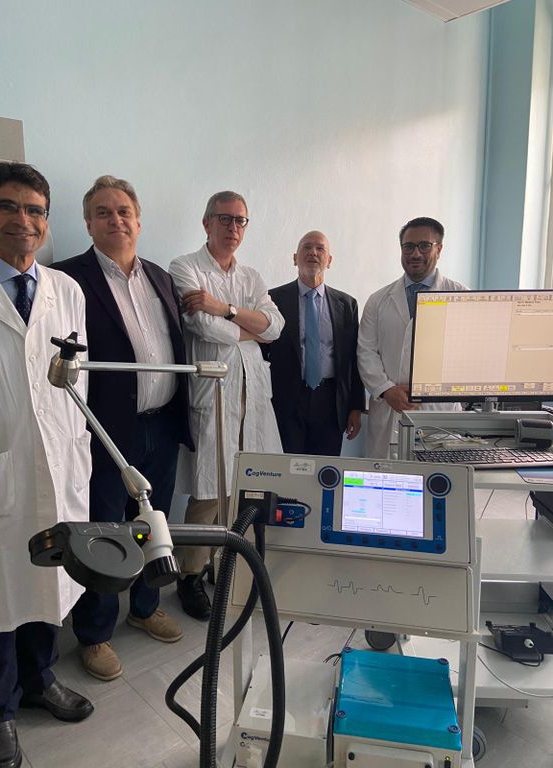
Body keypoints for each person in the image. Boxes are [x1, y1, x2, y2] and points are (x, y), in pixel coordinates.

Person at [53, 176, 193, 682]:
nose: (116, 220)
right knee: (106, 531)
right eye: (103, 212)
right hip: (106, 431)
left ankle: (146, 607)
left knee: (154, 523)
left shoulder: (160, 277)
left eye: (124, 211)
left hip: (163, 424)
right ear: (88, 223)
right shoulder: (66, 279)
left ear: (139, 219)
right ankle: (95, 633)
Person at [0, 162, 94, 768]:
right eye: (6, 206)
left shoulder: (66, 290)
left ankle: (40, 680)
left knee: (49, 578)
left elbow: (79, 381)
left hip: (60, 461)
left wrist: (78, 447)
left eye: (34, 210)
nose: (22, 220)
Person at [169, 191, 284, 620]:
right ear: (207, 223)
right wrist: (250, 325)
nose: (233, 228)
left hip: (251, 392)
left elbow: (276, 327)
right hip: (213, 391)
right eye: (225, 219)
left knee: (243, 484)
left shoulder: (251, 276)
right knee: (208, 489)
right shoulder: (185, 267)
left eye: (240, 221)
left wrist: (224, 308)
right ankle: (190, 574)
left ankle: (224, 565)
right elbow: (203, 326)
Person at [357, 216, 468, 459]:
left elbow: (467, 354)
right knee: (386, 478)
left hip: (439, 411)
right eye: (408, 247)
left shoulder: (461, 296)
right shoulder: (378, 300)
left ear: (439, 249)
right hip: (389, 409)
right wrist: (387, 390)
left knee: (439, 477)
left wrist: (429, 390)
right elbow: (366, 352)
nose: (415, 253)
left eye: (424, 246)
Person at [264, 230, 365, 455]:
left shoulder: (346, 304)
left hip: (331, 401)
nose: (313, 252)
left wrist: (356, 407)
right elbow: (261, 351)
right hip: (286, 398)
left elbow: (354, 359)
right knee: (287, 466)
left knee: (324, 468)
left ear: (329, 260)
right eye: (307, 247)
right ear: (295, 258)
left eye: (320, 248)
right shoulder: (272, 299)